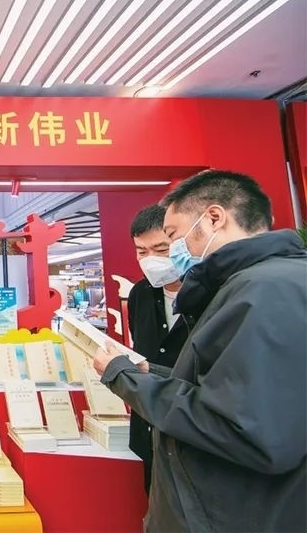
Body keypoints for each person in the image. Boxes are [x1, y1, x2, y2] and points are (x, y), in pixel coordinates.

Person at [94, 171, 306, 532]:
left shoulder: (264, 292)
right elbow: (226, 389)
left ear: (213, 218)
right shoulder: (258, 284)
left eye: (173, 236)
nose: (172, 251)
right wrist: (152, 373)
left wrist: (125, 377)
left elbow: (243, 429)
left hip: (231, 513)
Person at [126, 205, 189, 494]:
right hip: (148, 428)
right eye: (141, 251)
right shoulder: (139, 294)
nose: (150, 259)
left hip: (191, 431)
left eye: (161, 249)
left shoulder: (213, 295)